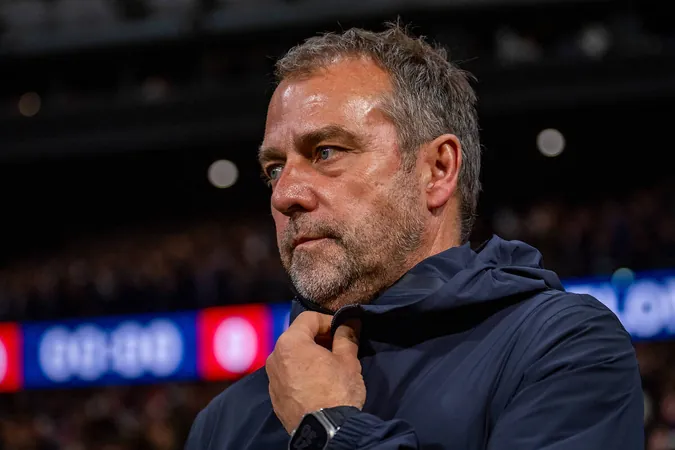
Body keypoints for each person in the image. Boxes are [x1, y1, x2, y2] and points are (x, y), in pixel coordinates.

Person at [185, 23, 644, 450]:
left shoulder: (564, 348)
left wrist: (328, 426)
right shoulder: (225, 424)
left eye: (325, 152)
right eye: (274, 169)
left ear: (437, 170)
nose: (284, 194)